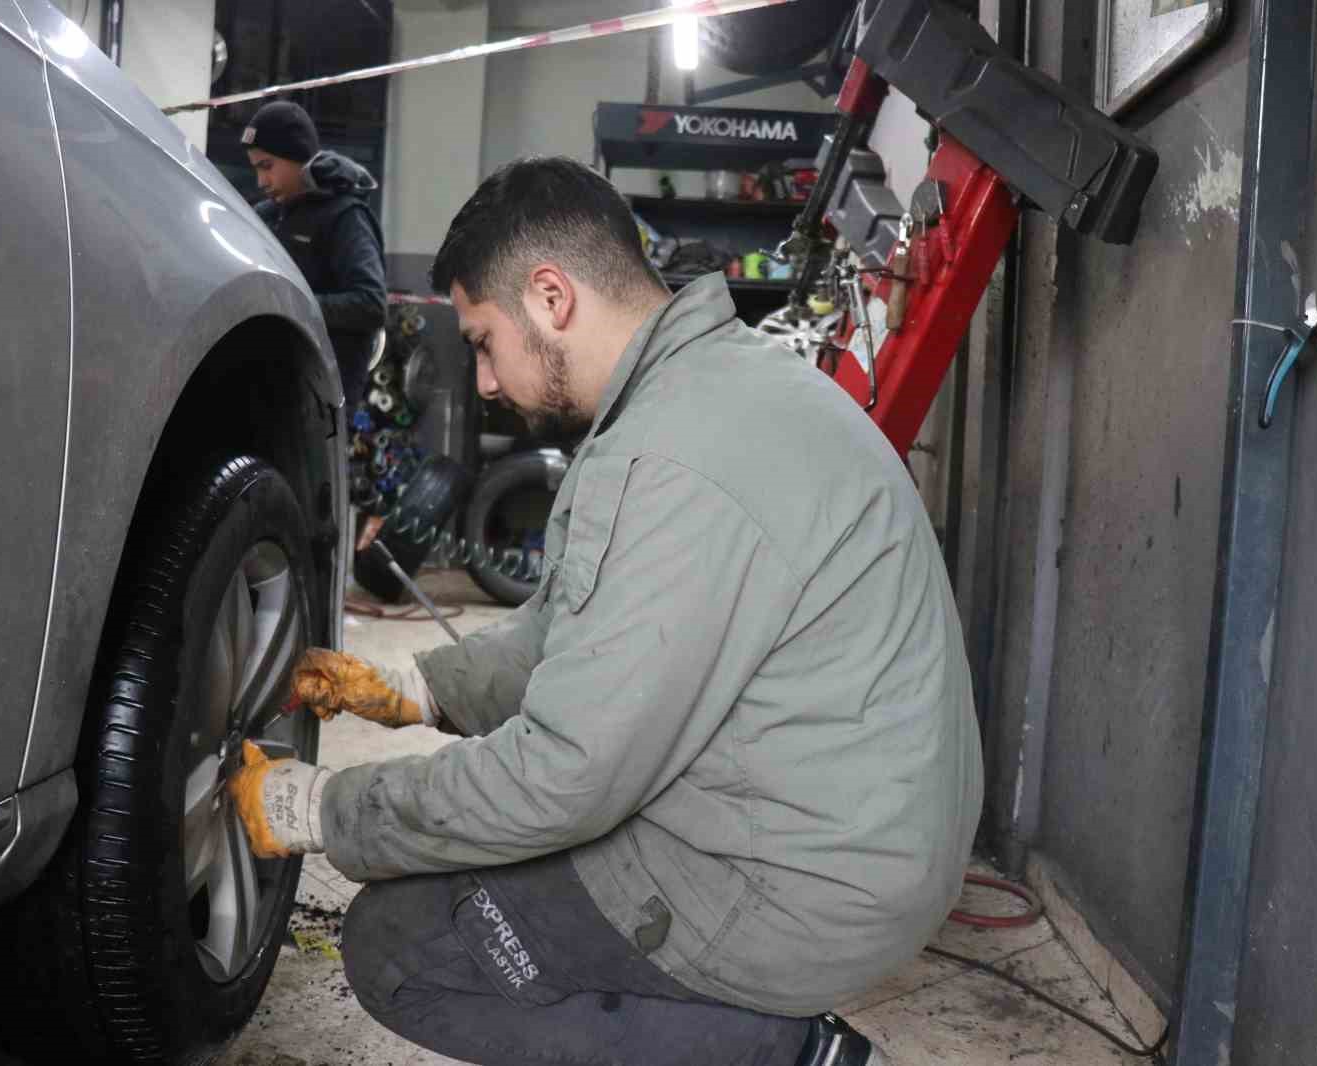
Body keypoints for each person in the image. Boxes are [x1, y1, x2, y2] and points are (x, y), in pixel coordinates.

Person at [228, 156, 983, 1066]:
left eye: (480, 341)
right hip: (847, 833)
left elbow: (563, 777)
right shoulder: (708, 390)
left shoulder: (666, 460)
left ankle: (787, 1056)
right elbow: (568, 635)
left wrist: (325, 809)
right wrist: (408, 689)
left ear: (551, 297)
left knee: (401, 947)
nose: (490, 383)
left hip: (791, 882)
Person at [242, 100, 386, 416]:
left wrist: (293, 305)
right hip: (272, 391)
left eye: (268, 166)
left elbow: (371, 303)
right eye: (256, 169)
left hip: (321, 404)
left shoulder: (345, 217)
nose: (261, 182)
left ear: (298, 159)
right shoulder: (265, 217)